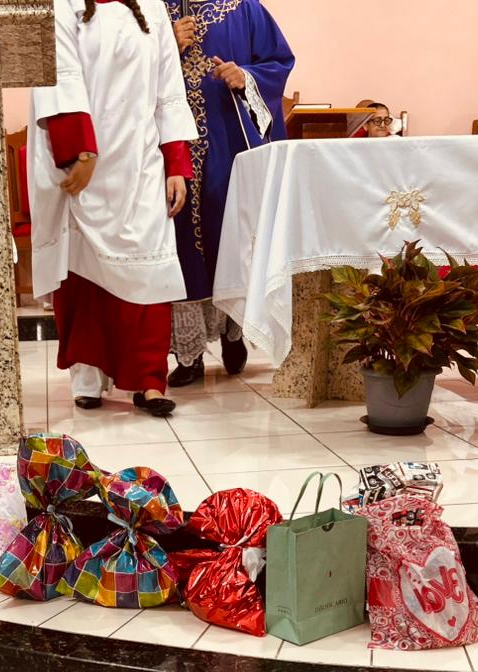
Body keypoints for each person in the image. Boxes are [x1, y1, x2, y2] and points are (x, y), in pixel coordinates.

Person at [30, 0, 197, 417]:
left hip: (141, 162)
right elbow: (60, 78)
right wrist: (80, 152)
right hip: (85, 164)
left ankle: (149, 381)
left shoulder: (152, 8)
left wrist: (176, 163)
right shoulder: (63, 5)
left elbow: (169, 89)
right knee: (84, 273)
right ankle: (87, 379)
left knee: (150, 275)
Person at [165, 0, 294, 388]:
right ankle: (188, 354)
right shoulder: (155, 11)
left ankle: (233, 333)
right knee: (181, 240)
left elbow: (279, 62)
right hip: (173, 144)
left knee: (230, 234)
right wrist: (167, 46)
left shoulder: (245, 8)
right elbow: (126, 71)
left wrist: (247, 76)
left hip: (228, 139)